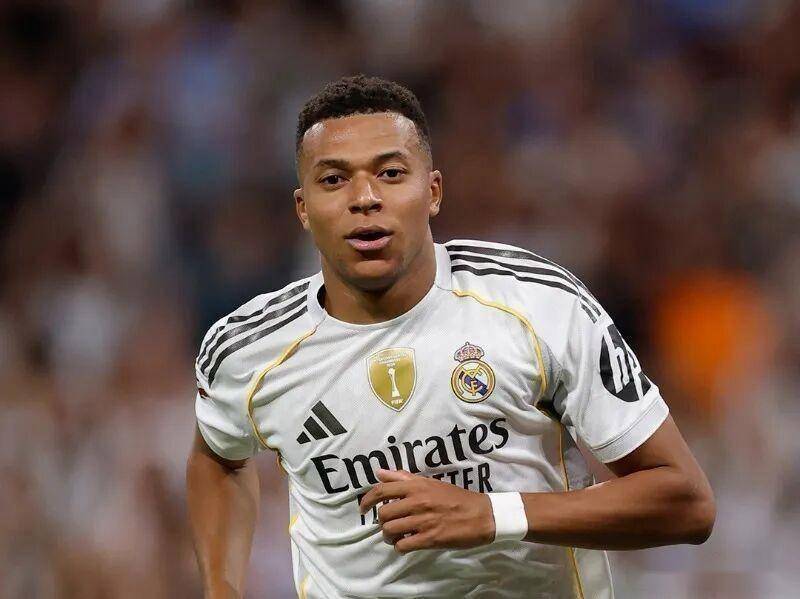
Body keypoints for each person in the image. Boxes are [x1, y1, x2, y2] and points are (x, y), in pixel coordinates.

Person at [186, 75, 715, 599]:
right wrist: (220, 587)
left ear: (433, 191)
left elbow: (686, 502)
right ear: (303, 208)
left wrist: (493, 514)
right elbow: (218, 458)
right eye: (334, 179)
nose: (365, 197)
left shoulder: (539, 305)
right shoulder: (248, 351)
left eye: (391, 173)